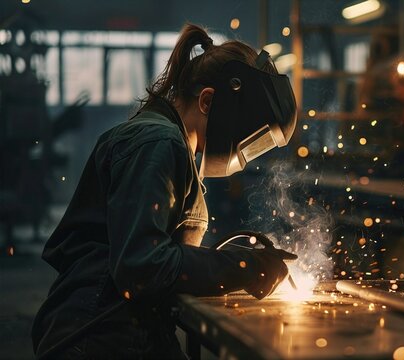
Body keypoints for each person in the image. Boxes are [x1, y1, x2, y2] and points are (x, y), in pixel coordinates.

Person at [31, 23, 298, 359]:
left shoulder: (166, 141)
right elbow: (142, 268)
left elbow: (154, 250)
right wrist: (243, 267)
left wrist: (233, 259)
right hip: (99, 335)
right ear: (207, 101)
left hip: (122, 329)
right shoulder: (158, 142)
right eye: (245, 135)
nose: (241, 150)